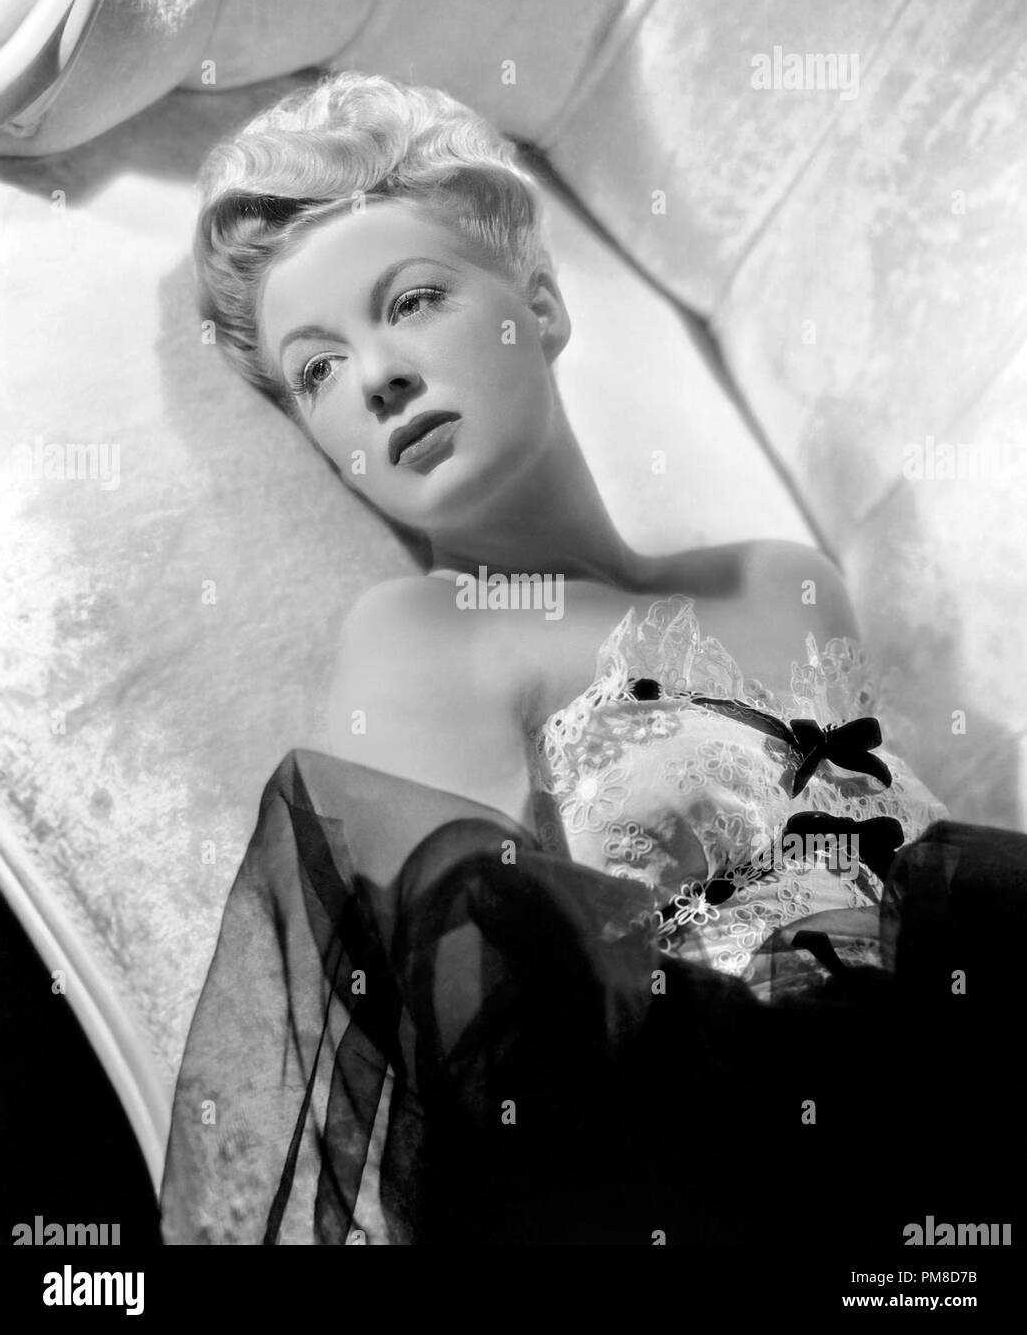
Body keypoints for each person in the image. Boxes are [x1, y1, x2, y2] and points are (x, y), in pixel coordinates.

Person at [160, 70, 1026, 1246]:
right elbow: (498, 1082)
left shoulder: (787, 581)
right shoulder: (427, 633)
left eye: (412, 300)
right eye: (316, 369)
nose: (376, 376)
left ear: (541, 307)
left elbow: (917, 899)